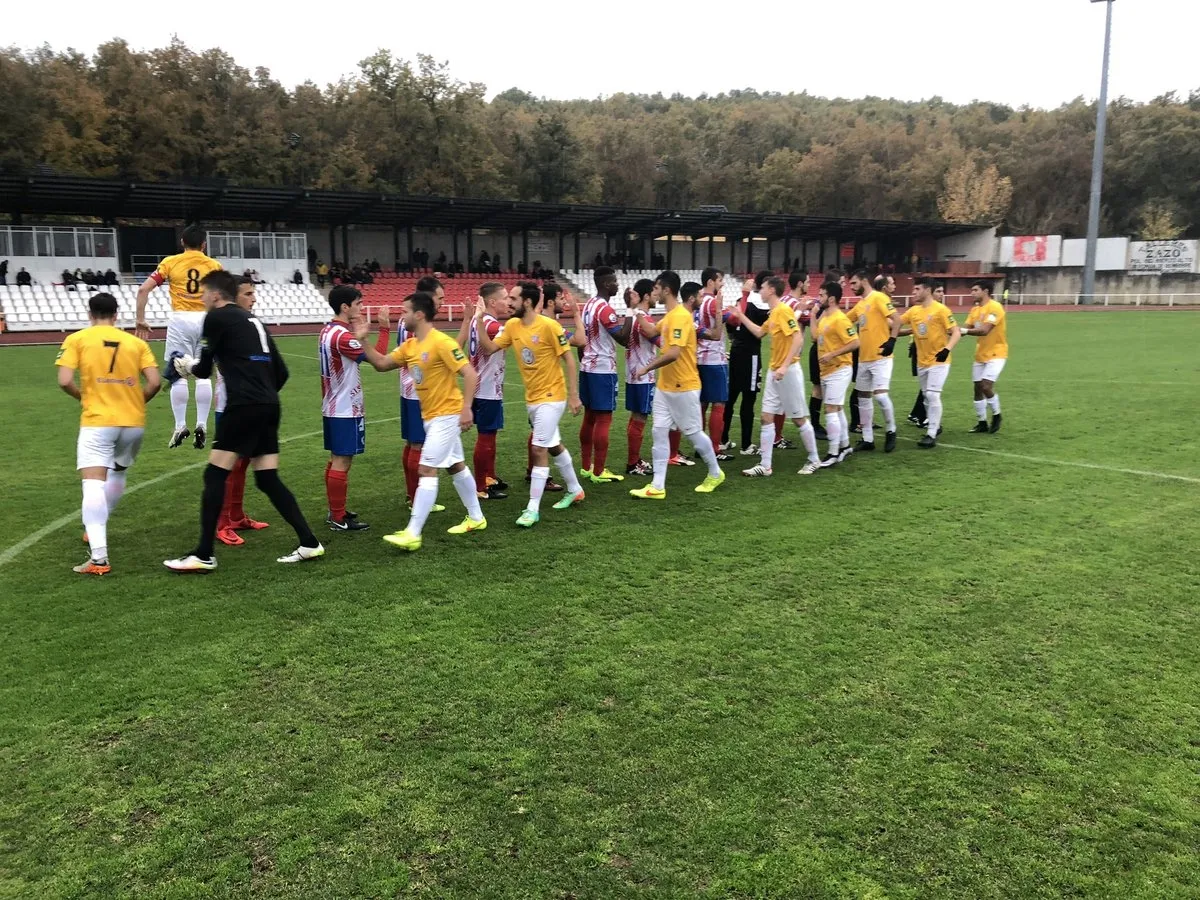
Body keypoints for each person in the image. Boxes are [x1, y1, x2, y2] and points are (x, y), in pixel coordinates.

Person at [164, 271, 324, 571]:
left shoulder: (217, 318)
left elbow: (203, 370)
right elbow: (282, 374)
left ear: (214, 295)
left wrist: (186, 365)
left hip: (243, 406)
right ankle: (309, 542)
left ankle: (203, 554)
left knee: (214, 476)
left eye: (203, 294)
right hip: (269, 405)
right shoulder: (257, 323)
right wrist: (261, 394)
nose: (201, 300)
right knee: (266, 478)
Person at [357, 291, 487, 550]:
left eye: (404, 311)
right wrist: (363, 341)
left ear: (418, 314)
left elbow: (470, 374)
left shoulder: (442, 343)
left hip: (446, 415)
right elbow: (382, 364)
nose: (400, 316)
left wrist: (466, 408)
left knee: (427, 469)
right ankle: (476, 517)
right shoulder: (410, 345)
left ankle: (413, 532)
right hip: (431, 417)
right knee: (455, 466)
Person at [56, 292, 161, 575]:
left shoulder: (77, 339)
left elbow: (64, 380)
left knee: (92, 484)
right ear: (116, 315)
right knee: (118, 472)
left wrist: (82, 396)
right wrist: (136, 402)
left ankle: (99, 558)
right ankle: (97, 525)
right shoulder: (136, 343)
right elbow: (154, 382)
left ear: (90, 314)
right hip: (133, 422)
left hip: (98, 422)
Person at [474, 282, 585, 527]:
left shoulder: (549, 326)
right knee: (553, 444)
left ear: (526, 301)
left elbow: (569, 359)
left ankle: (532, 508)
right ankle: (575, 489)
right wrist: (479, 320)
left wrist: (574, 395)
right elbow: (490, 347)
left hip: (552, 397)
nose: (509, 302)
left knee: (538, 449)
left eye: (513, 298)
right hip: (533, 399)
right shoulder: (512, 326)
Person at [629, 271, 726, 500]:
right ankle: (657, 486)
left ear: (666, 290)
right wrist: (637, 310)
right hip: (666, 386)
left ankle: (715, 472)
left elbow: (673, 353)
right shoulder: (671, 315)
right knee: (659, 431)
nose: (654, 293)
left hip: (684, 385)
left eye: (656, 289)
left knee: (693, 433)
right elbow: (652, 331)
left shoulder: (681, 317)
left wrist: (646, 368)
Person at [136, 224, 222, 450]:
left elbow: (143, 289)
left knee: (178, 375)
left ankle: (180, 425)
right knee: (204, 375)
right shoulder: (214, 265)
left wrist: (140, 319)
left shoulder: (170, 262)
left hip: (180, 320)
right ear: (204, 244)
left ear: (182, 242)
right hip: (206, 319)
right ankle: (201, 424)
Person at [729, 276, 821, 477]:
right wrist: (740, 315)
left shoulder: (783, 311)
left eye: (761, 288)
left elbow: (797, 338)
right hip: (775, 371)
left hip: (786, 373)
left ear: (771, 290)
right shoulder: (774, 313)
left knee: (798, 419)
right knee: (766, 417)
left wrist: (785, 366)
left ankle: (814, 459)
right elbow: (760, 333)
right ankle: (765, 465)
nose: (759, 291)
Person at [320, 285, 386, 532]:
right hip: (345, 407)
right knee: (342, 460)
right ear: (345, 307)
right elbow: (379, 359)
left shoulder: (327, 330)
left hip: (332, 404)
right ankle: (338, 517)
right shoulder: (343, 337)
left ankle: (335, 511)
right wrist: (383, 329)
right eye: (358, 304)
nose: (361, 308)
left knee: (337, 458)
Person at [212, 276, 270, 547]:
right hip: (230, 403)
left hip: (249, 402)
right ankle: (221, 523)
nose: (253, 298)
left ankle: (236, 515)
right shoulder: (224, 325)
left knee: (243, 461)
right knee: (228, 464)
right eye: (248, 294)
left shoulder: (247, 325)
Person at [576, 266, 632, 484]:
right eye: (615, 281)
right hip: (602, 370)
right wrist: (630, 308)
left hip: (588, 367)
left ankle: (585, 467)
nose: (618, 284)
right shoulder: (604, 309)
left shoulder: (588, 306)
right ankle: (599, 471)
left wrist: (585, 360)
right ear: (607, 284)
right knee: (604, 419)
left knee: (589, 417)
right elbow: (624, 339)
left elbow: (581, 340)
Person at [398, 276, 448, 512]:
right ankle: (416, 498)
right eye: (439, 298)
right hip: (418, 391)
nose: (441, 303)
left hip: (408, 388)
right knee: (418, 445)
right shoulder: (418, 323)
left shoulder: (407, 319)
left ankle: (411, 495)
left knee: (412, 444)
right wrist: (468, 321)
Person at [460, 281, 512, 501]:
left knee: (489, 435)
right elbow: (495, 346)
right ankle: (480, 485)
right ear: (492, 302)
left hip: (483, 385)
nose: (508, 301)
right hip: (487, 388)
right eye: (505, 297)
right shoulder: (491, 325)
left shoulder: (478, 321)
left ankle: (488, 477)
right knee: (486, 436)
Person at [898, 278, 960, 448]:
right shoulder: (914, 311)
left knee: (932, 395)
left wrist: (947, 349)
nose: (914, 292)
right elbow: (895, 323)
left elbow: (955, 332)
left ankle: (931, 434)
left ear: (927, 290)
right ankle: (935, 424)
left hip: (939, 360)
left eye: (917, 289)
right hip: (922, 361)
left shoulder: (941, 310)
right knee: (926, 396)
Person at [847, 271, 902, 453]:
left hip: (881, 357)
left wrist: (892, 340)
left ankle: (891, 430)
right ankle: (867, 438)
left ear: (864, 280)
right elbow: (845, 321)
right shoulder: (860, 304)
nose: (852, 287)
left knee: (880, 395)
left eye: (854, 283)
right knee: (863, 397)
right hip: (864, 358)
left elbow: (896, 319)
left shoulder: (878, 297)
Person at [723, 273, 771, 456]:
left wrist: (735, 340)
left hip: (735, 352)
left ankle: (723, 440)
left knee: (731, 397)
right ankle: (746, 445)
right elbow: (764, 329)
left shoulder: (739, 301)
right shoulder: (761, 303)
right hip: (750, 355)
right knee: (748, 399)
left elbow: (730, 324)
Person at [813, 282, 860, 467]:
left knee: (830, 409)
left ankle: (833, 452)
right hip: (827, 370)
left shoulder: (840, 319)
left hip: (840, 369)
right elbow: (815, 337)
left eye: (822, 295)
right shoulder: (825, 316)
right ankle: (845, 445)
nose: (819, 298)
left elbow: (855, 342)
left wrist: (833, 354)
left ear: (831, 298)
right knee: (837, 408)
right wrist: (813, 316)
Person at [622, 281, 660, 476]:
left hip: (633, 371)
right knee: (640, 417)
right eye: (654, 292)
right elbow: (662, 342)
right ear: (646, 296)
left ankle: (633, 460)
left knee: (636, 416)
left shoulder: (635, 318)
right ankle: (632, 463)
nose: (656, 296)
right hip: (643, 374)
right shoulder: (644, 320)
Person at [961, 280, 1008, 433]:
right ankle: (981, 422)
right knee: (977, 389)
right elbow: (965, 328)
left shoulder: (995, 307)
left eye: (975, 290)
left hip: (997, 352)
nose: (972, 293)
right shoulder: (975, 310)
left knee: (986, 386)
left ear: (985, 291)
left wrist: (963, 331)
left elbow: (985, 330)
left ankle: (996, 414)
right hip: (981, 353)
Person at [695, 267, 731, 460]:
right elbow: (730, 318)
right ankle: (715, 449)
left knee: (702, 403)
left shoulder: (699, 302)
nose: (722, 283)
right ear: (711, 282)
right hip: (714, 360)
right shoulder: (711, 303)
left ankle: (701, 446)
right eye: (720, 280)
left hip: (700, 357)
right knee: (718, 403)